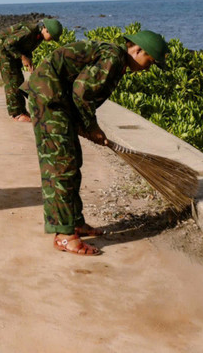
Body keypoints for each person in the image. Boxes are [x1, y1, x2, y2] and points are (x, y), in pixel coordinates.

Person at [25, 30, 169, 256]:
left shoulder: (116, 60)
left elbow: (78, 89)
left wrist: (84, 125)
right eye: (149, 62)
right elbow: (82, 92)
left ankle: (75, 222)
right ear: (138, 50)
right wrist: (92, 127)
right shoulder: (114, 58)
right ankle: (64, 235)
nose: (147, 68)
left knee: (73, 161)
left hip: (58, 98)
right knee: (62, 165)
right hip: (49, 99)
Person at [0, 18, 63, 122]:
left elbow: (26, 47)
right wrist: (22, 57)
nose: (51, 39)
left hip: (13, 52)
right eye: (52, 37)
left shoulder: (39, 36)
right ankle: (16, 114)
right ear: (46, 30)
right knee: (12, 81)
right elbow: (7, 44)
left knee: (19, 80)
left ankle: (22, 111)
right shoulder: (30, 31)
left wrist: (29, 60)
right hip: (4, 52)